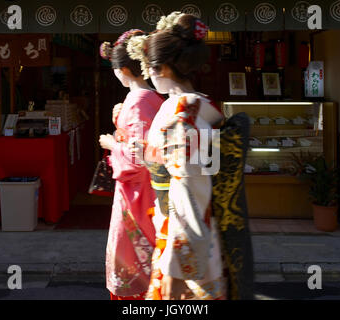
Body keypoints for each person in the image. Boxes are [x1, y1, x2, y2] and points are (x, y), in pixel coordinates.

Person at [127, 13, 226, 300]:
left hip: (187, 245)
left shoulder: (183, 112)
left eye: (151, 67)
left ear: (164, 68)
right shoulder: (200, 104)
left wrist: (177, 268)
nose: (150, 73)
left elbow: (190, 188)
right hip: (196, 233)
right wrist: (149, 153)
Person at [98, 29, 165, 300]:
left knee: (134, 261)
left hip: (137, 193)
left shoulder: (138, 101)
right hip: (144, 190)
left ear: (123, 69)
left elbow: (138, 160)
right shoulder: (150, 98)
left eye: (115, 69)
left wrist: (112, 144)